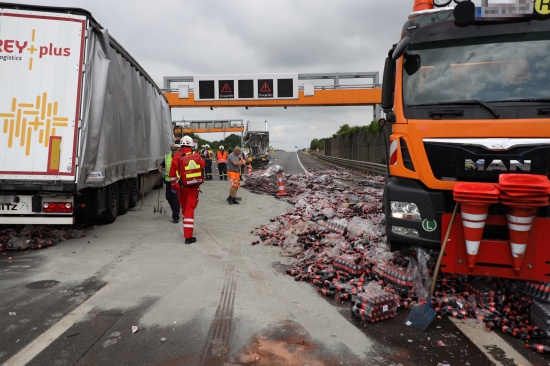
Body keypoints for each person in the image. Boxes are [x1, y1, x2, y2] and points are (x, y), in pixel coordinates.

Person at [169, 135, 205, 244]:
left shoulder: (176, 157)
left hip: (181, 188)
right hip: (193, 187)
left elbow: (171, 175)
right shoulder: (196, 156)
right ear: (191, 145)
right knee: (190, 209)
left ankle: (186, 228)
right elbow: (202, 166)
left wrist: (173, 186)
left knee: (184, 208)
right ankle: (188, 236)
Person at [158, 141, 181, 223]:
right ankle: (175, 210)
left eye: (175, 150)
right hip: (169, 182)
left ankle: (176, 216)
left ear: (179, 150)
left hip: (178, 182)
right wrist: (160, 168)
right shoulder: (167, 157)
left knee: (176, 200)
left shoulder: (182, 157)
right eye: (173, 151)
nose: (174, 152)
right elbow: (162, 164)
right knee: (168, 197)